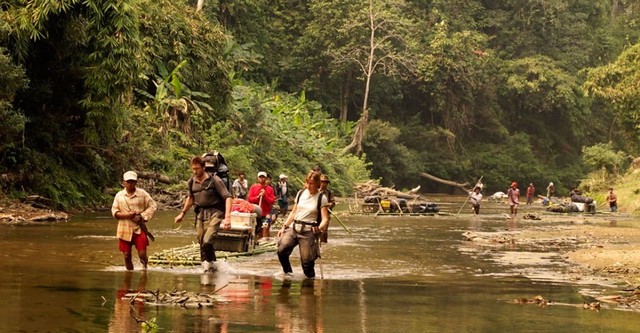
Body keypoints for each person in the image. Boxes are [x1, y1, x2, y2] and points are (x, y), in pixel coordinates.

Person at [174, 156, 232, 273]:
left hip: (216, 212)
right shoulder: (192, 181)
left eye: (197, 169)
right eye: (193, 169)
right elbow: (190, 198)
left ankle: (211, 265)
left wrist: (227, 218)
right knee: (201, 241)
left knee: (207, 240)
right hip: (201, 213)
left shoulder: (215, 180)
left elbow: (228, 197)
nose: (195, 171)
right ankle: (209, 265)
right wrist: (182, 214)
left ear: (204, 167)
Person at [277, 171, 329, 279]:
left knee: (307, 263)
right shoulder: (301, 193)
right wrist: (284, 226)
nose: (309, 186)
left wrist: (319, 228)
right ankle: (288, 273)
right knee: (281, 250)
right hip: (294, 228)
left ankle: (310, 282)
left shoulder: (321, 198)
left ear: (317, 184)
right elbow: (293, 212)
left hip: (308, 231)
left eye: (312, 183)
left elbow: (325, 219)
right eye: (308, 183)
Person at [111, 171, 157, 271]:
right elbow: (114, 212)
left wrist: (143, 216)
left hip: (139, 228)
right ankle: (129, 274)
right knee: (126, 256)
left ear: (136, 182)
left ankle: (144, 268)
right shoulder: (119, 196)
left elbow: (153, 206)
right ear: (123, 182)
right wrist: (127, 215)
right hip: (124, 228)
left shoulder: (143, 194)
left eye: (132, 182)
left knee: (142, 255)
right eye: (128, 182)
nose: (130, 184)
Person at [248, 171, 276, 238]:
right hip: (255, 213)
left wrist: (265, 195)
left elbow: (272, 201)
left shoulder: (270, 189)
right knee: (255, 230)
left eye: (263, 177)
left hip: (266, 213)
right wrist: (257, 197)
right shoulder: (253, 187)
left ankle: (264, 240)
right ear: (257, 178)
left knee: (265, 228)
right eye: (260, 177)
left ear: (266, 178)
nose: (261, 179)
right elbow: (250, 199)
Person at [318, 174, 336, 243]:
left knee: (324, 231)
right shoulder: (315, 191)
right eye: (322, 182)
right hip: (316, 213)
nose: (323, 184)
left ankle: (323, 243)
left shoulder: (329, 192)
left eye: (325, 182)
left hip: (326, 214)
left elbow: (333, 202)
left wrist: (329, 205)